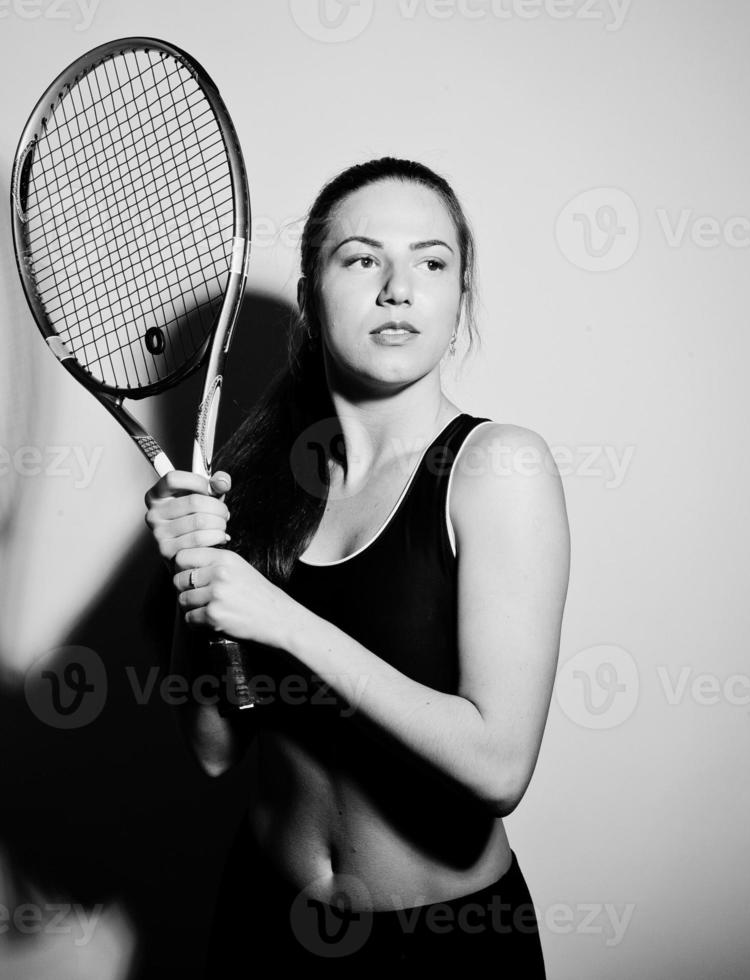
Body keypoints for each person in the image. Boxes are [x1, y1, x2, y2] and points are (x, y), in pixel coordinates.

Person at [142, 158, 569, 976]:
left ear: (459, 300)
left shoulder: (496, 470)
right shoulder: (261, 480)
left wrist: (280, 620)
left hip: (438, 946)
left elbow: (498, 769)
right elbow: (211, 750)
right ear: (310, 297)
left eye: (431, 262)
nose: (398, 288)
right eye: (363, 258)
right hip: (260, 919)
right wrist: (193, 581)